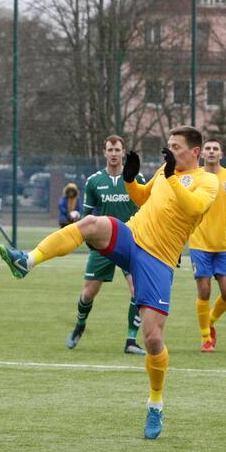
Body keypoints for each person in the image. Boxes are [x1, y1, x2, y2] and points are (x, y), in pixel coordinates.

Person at [0, 125, 218, 439]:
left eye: (176, 146)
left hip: (158, 260)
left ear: (195, 151)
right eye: (168, 145)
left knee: (153, 338)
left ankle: (155, 403)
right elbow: (142, 199)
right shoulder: (164, 171)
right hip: (131, 235)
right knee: (89, 223)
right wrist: (130, 179)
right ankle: (27, 260)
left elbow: (193, 207)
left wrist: (169, 175)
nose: (170, 150)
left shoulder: (206, 180)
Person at [65, 135, 146, 355]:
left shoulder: (136, 178)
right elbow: (86, 215)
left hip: (131, 243)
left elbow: (149, 210)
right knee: (88, 293)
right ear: (104, 152)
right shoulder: (94, 181)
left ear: (123, 152)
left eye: (117, 150)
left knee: (137, 291)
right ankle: (80, 326)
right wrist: (83, 236)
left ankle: (131, 340)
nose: (113, 154)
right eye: (109, 149)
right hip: (103, 243)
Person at [188, 139, 226, 353]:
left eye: (216, 148)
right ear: (201, 153)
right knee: (204, 290)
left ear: (221, 154)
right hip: (199, 243)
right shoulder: (193, 177)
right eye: (208, 149)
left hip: (223, 246)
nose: (212, 152)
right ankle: (206, 339)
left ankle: (210, 321)